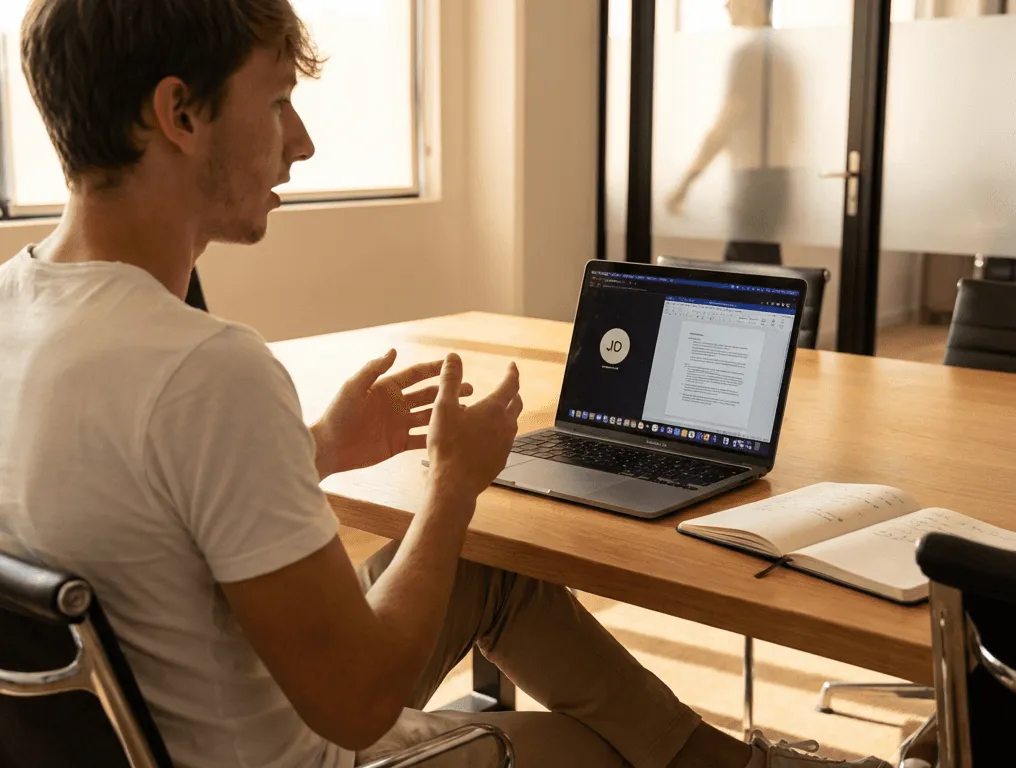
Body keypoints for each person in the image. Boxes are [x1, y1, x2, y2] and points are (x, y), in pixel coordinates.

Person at [0, 1, 891, 766]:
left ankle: (724, 760)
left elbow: (139, 497)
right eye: (277, 102)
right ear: (179, 114)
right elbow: (358, 704)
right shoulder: (206, 372)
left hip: (152, 728)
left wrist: (316, 449)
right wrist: (452, 489)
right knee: (621, 750)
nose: (302, 142)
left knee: (488, 571)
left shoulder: (15, 305)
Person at [665, 0, 798, 266]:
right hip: (776, 177)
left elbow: (727, 123)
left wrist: (686, 182)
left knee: (743, 273)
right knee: (762, 270)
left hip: (755, 179)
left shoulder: (752, 53)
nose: (725, 6)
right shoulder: (781, 53)